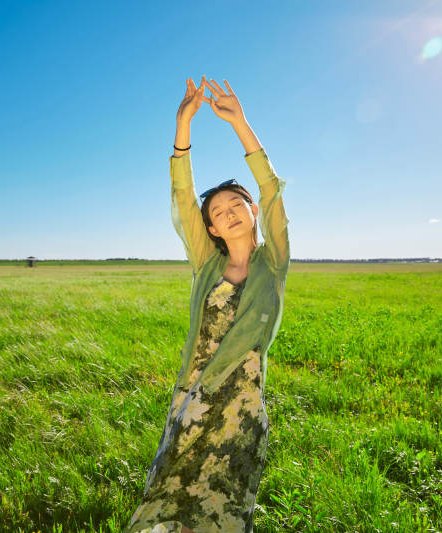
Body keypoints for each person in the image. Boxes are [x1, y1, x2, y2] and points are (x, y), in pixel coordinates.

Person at [124, 76, 290, 533]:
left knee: (225, 502)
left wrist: (240, 122)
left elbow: (273, 188)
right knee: (170, 488)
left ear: (252, 210)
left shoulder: (272, 263)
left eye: (237, 204)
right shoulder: (206, 264)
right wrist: (184, 126)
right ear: (212, 229)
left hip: (240, 404)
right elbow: (182, 196)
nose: (229, 213)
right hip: (193, 395)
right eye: (217, 213)